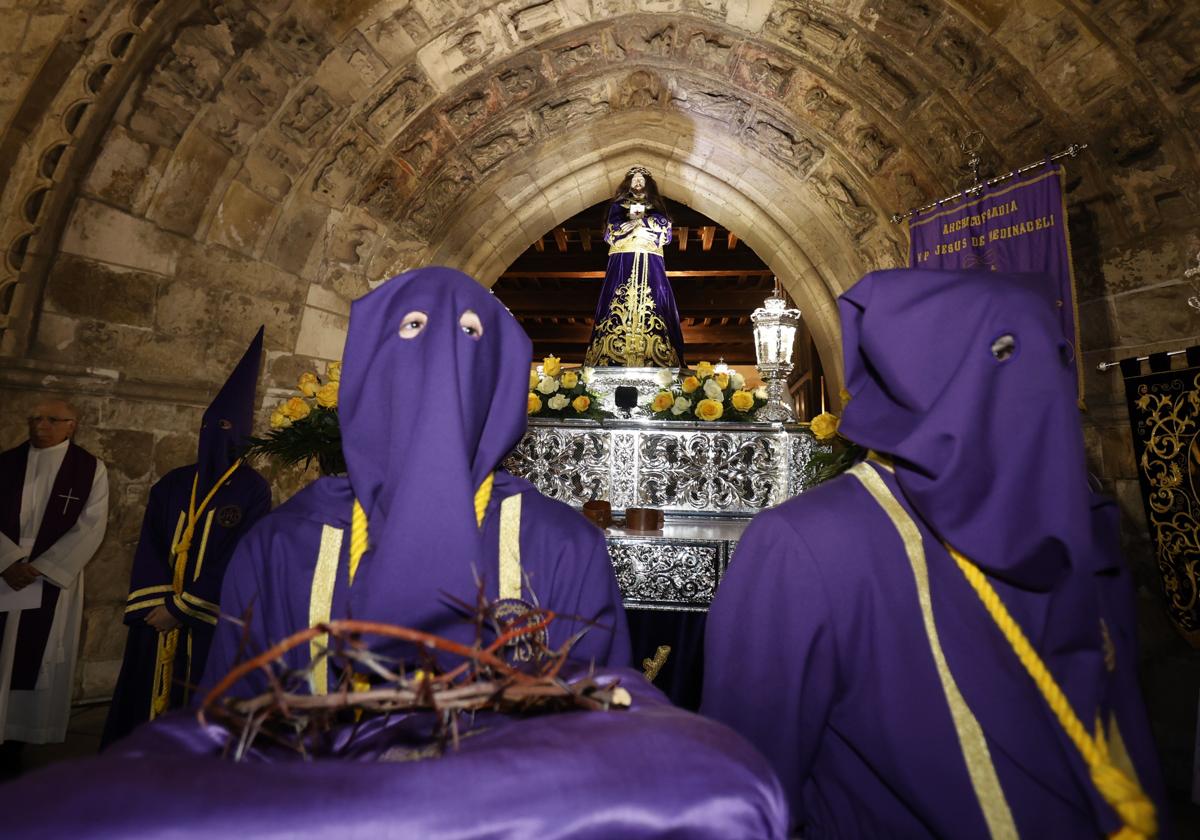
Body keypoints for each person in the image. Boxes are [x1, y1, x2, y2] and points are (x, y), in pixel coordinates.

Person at [702, 268, 1169, 837]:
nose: (1047, 386)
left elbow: (1119, 732)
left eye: (1056, 357)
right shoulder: (806, 547)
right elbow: (743, 793)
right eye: (1008, 355)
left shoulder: (1074, 528)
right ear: (942, 379)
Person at [200, 267, 631, 699]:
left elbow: (600, 732)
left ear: (498, 374)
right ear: (371, 361)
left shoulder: (564, 549)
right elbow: (227, 730)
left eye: (467, 330)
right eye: (414, 325)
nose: (440, 356)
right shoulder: (282, 546)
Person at [102, 330, 271, 747]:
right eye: (210, 425)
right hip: (157, 616)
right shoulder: (174, 484)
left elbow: (241, 554)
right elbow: (151, 543)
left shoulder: (252, 490)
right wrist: (158, 604)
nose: (217, 433)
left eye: (228, 427)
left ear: (244, 434)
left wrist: (184, 607)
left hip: (206, 621)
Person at [0, 397, 107, 773]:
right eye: (34, 418)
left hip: (48, 577)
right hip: (4, 568)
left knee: (32, 657)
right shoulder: (6, 462)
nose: (39, 426)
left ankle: (14, 738)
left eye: (50, 419)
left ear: (71, 425)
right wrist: (8, 561)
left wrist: (40, 567)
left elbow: (91, 526)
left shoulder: (89, 469)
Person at [583, 165, 686, 368]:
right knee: (617, 295)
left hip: (650, 258)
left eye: (641, 180)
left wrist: (639, 224)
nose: (638, 183)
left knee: (655, 296)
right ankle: (611, 349)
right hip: (623, 258)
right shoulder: (618, 206)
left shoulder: (656, 206)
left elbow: (665, 228)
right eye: (634, 179)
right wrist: (635, 229)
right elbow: (611, 230)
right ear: (629, 183)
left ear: (648, 184)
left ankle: (657, 350)